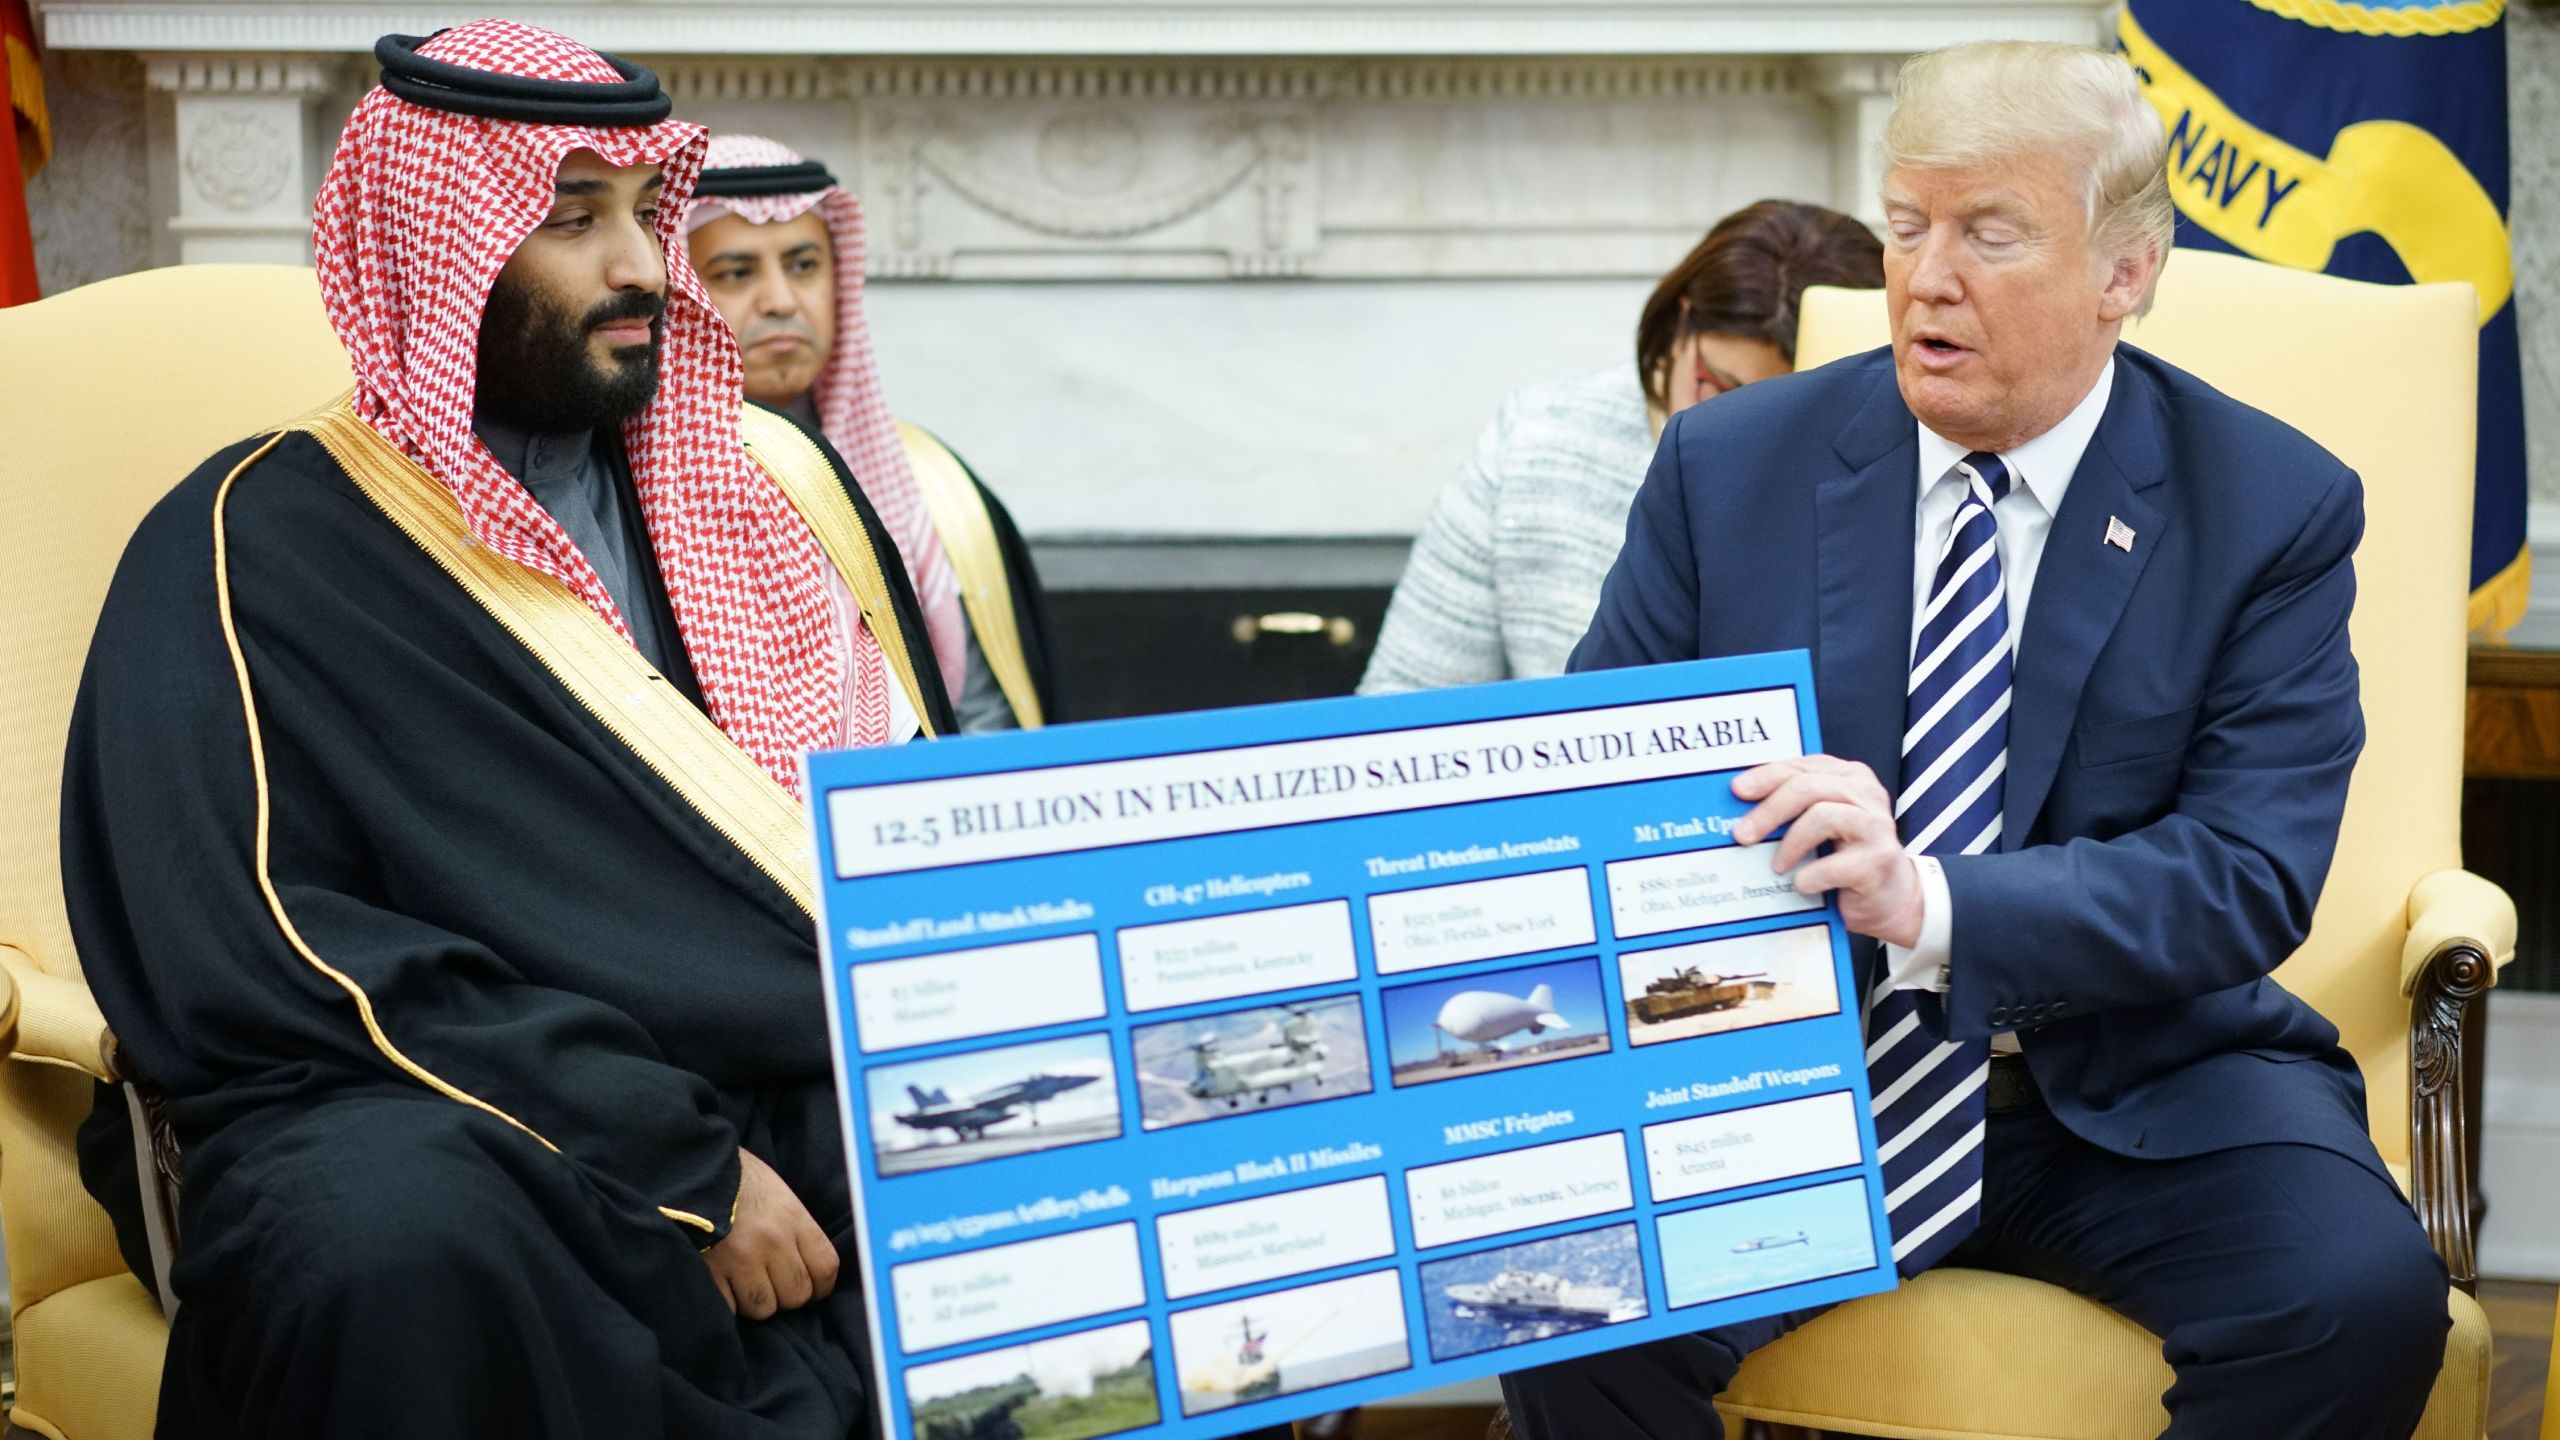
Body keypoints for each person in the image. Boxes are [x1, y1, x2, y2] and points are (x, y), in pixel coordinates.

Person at [1505, 40, 2448, 1440]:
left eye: (1989, 235)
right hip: (1792, 1062)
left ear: (2125, 271)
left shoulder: (2270, 507)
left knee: (2356, 1304)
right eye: (1905, 225)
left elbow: (2246, 871)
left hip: (2139, 1077)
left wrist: (1927, 902)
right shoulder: (1728, 468)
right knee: (1560, 1293)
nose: (1926, 278)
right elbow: (1591, 789)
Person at [65, 23, 958, 1436]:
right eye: (571, 219)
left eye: (649, 216)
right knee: (390, 1241)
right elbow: (264, 947)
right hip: (441, 1104)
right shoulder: (254, 542)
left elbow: (896, 831)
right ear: (441, 246)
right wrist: (682, 1165)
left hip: (779, 1067)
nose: (643, 270)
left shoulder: (750, 507)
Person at [1358, 200, 1883, 694]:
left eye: (1792, 413)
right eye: (1721, 388)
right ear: (1681, 323)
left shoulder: (1892, 481)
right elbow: (1399, 706)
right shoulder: (1533, 443)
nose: (1747, 430)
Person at [683, 135, 1060, 732]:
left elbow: (981, 718)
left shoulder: (930, 482)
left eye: (804, 266)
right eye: (735, 272)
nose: (780, 300)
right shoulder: (630, 493)